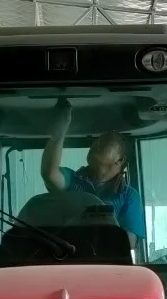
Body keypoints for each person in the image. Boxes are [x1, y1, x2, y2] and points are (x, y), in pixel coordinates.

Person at [40, 99, 146, 249]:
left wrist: (98, 227)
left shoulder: (128, 196)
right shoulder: (72, 180)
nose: (95, 144)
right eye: (96, 141)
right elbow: (50, 173)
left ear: (120, 160)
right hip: (64, 256)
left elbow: (129, 242)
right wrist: (59, 132)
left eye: (106, 142)